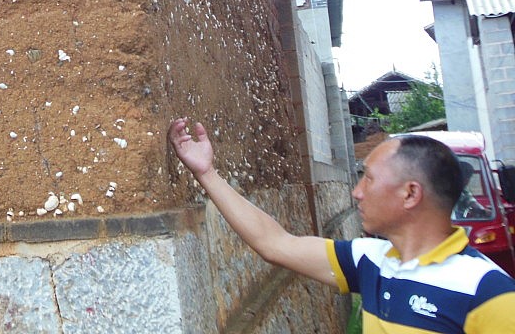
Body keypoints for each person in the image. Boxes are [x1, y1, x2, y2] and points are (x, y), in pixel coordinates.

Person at [168, 117, 515, 333]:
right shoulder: (372, 260)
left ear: (410, 194)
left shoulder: (488, 293)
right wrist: (206, 173)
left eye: (368, 179)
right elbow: (274, 243)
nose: (356, 192)